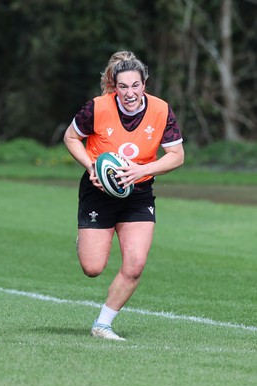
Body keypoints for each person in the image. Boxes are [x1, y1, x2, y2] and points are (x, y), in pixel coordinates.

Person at [64, 50, 184, 341]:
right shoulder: (97, 108)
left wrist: (142, 169)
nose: (129, 92)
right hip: (98, 192)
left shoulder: (161, 109)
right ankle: (88, 238)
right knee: (93, 268)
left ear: (144, 84)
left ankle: (103, 324)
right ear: (114, 86)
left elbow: (177, 156)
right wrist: (91, 165)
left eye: (135, 85)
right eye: (123, 86)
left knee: (135, 264)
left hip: (138, 194)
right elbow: (71, 137)